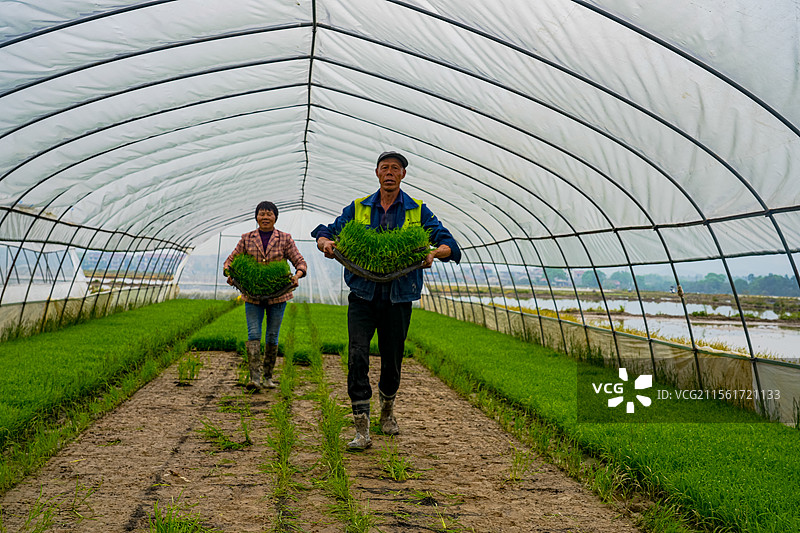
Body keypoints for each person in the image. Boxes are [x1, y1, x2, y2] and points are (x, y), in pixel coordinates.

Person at [311, 151, 460, 450]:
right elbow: (327, 231)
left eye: (395, 168)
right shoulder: (358, 208)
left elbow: (449, 244)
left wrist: (433, 253)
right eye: (384, 168)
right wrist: (325, 242)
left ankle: (387, 410)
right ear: (376, 173)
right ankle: (361, 427)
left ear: (403, 175)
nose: (389, 172)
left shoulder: (418, 210)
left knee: (392, 360)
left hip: (398, 298)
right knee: (357, 356)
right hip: (363, 296)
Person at [224, 201, 307, 390]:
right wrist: (229, 273)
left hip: (278, 296)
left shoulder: (285, 238)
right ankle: (255, 378)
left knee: (272, 335)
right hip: (252, 295)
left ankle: (268, 377)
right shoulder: (246, 238)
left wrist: (297, 276)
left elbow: (300, 261)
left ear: (275, 217)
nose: (265, 217)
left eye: (269, 214)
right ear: (256, 217)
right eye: (262, 214)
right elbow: (230, 260)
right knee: (253, 334)